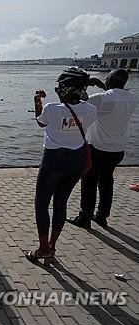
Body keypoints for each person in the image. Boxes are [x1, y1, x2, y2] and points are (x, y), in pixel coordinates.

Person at [25, 67, 97, 263]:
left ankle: (42, 248)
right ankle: (52, 247)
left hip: (53, 161)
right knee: (60, 204)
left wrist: (37, 101)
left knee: (41, 205)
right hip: (76, 162)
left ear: (65, 88)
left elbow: (41, 123)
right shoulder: (91, 110)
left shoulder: (51, 109)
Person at [68, 69, 138, 229]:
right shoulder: (132, 98)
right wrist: (104, 87)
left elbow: (77, 104)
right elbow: (115, 98)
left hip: (98, 148)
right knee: (106, 181)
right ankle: (101, 216)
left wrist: (84, 86)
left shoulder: (102, 98)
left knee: (89, 183)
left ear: (109, 80)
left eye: (106, 79)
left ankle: (84, 218)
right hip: (118, 149)